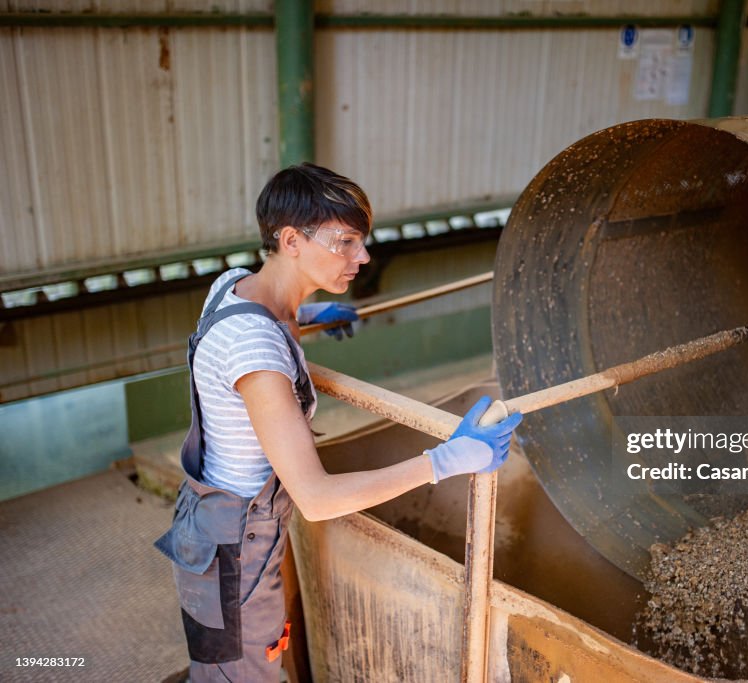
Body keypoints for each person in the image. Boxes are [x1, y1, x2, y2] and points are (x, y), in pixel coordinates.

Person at [155, 163, 522, 682]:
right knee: (244, 673)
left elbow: (258, 320)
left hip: (211, 522)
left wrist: (305, 317)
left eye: (362, 241)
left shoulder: (235, 285)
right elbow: (318, 498)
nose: (363, 257)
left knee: (226, 665)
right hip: (238, 551)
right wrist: (445, 460)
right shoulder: (256, 351)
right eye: (345, 241)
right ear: (291, 240)